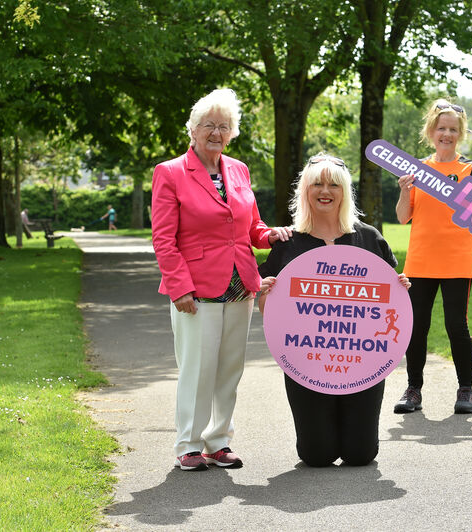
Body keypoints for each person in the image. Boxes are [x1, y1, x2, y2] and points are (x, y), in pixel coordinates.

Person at [151, 88, 291, 471]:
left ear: (232, 133)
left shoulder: (239, 170)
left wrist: (270, 235)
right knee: (197, 368)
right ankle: (188, 445)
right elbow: (163, 238)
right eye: (208, 125)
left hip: (240, 285)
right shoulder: (170, 172)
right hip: (194, 288)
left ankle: (218, 441)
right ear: (193, 130)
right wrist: (178, 287)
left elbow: (251, 227)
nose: (216, 132)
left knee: (230, 367)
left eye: (223, 126)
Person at [258, 153, 410, 467]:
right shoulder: (287, 242)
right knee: (317, 455)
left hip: (362, 360)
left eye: (333, 185)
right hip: (306, 362)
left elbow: (388, 299)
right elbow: (268, 312)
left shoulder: (368, 238)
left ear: (344, 192)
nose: (325, 191)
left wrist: (401, 287)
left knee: (360, 454)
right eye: (317, 184)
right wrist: (264, 293)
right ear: (305, 191)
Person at [393, 99, 472, 416]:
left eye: (452, 129)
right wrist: (404, 190)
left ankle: (466, 389)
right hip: (420, 261)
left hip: (457, 261)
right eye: (441, 128)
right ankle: (413, 390)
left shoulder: (471, 170)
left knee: (456, 326)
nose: (446, 134)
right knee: (416, 327)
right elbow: (402, 217)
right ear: (431, 131)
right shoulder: (416, 170)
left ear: (459, 134)